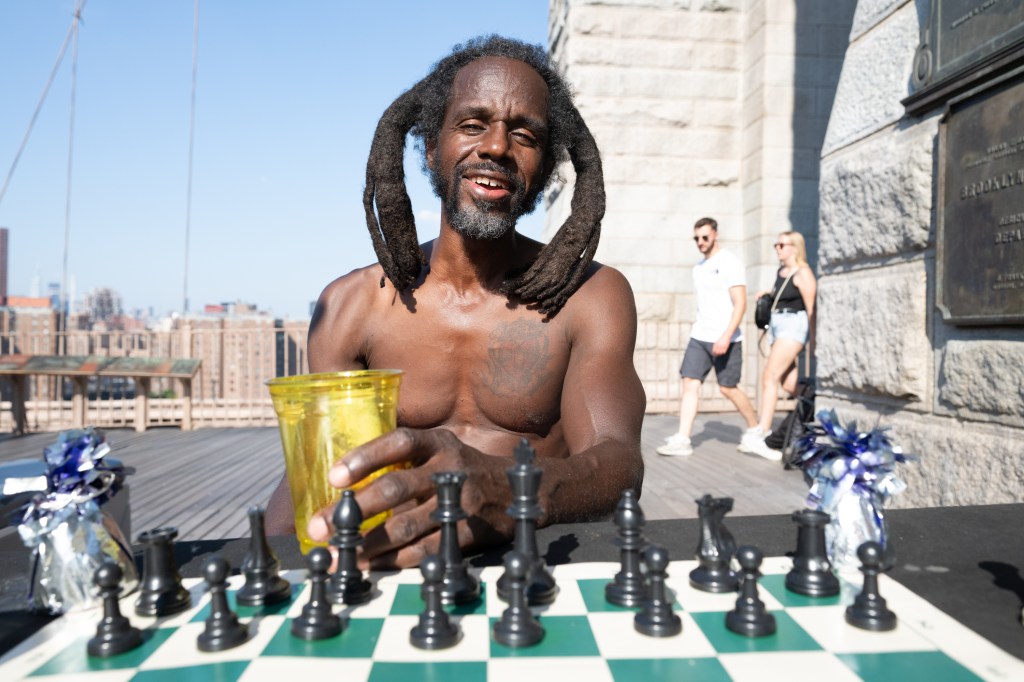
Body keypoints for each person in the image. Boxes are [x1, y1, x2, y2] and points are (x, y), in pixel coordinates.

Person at [264, 36, 646, 568]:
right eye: (472, 125)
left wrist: (514, 493)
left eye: (524, 135)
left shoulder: (589, 296)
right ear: (429, 147)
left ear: (546, 166)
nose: (495, 147)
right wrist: (270, 562)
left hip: (536, 567)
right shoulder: (352, 307)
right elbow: (320, 472)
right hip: (397, 573)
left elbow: (618, 462)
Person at [657, 217, 758, 457]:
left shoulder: (730, 262)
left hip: (727, 338)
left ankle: (756, 431)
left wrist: (725, 336)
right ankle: (683, 438)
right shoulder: (698, 268)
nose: (700, 242)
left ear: (715, 234)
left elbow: (741, 303)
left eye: (705, 237)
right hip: (700, 336)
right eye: (696, 238)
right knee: (689, 384)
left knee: (728, 388)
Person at [739, 231, 816, 460]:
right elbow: (784, 296)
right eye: (776, 245)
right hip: (778, 326)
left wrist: (814, 340)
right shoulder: (781, 272)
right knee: (787, 382)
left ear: (795, 247)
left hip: (794, 326)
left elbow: (811, 308)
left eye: (782, 245)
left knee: (769, 376)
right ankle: (816, 402)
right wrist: (768, 296)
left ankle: (763, 432)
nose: (778, 249)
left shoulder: (803, 273)